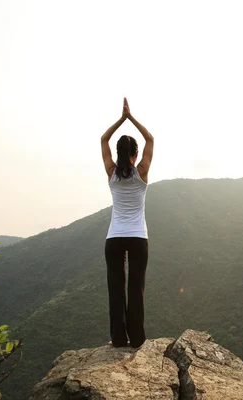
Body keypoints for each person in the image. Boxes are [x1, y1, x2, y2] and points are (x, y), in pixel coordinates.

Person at [100, 98, 154, 348]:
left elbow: (103, 140)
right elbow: (150, 139)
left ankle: (119, 339)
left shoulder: (111, 171)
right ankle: (138, 339)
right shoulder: (141, 171)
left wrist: (120, 120)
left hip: (114, 238)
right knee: (136, 290)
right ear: (135, 154)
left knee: (115, 289)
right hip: (138, 238)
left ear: (119, 153)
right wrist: (131, 118)